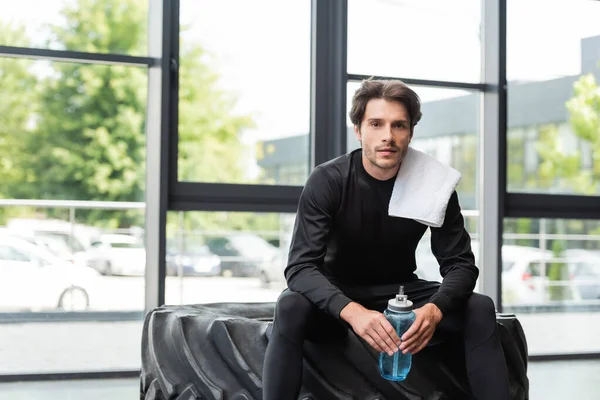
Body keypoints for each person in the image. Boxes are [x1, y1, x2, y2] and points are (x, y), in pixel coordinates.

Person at [262, 78, 510, 400]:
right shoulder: (328, 180)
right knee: (290, 305)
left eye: (399, 125)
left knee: (480, 307)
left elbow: (461, 265)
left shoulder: (433, 183)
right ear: (358, 130)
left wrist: (433, 311)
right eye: (376, 124)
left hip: (402, 295)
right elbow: (300, 267)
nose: (387, 137)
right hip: (338, 296)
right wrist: (353, 312)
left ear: (410, 132)